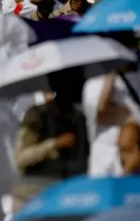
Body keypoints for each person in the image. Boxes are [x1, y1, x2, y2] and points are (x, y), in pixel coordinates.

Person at [13, 68, 89, 211]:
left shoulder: (78, 118)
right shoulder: (36, 115)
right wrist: (55, 144)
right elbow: (21, 159)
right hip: (33, 195)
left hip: (68, 194)